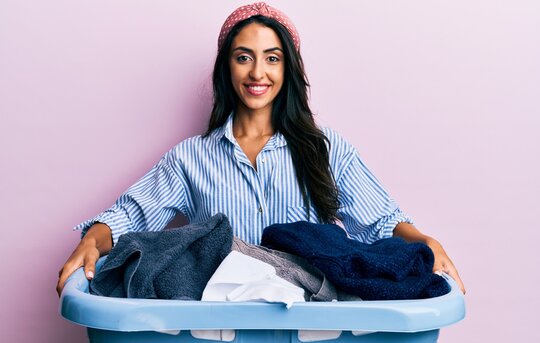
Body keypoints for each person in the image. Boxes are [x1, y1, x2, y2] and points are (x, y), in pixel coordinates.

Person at [56, 2, 465, 296]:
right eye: (243, 57)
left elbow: (381, 222)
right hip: (218, 329)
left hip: (310, 329)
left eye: (271, 58)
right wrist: (94, 238)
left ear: (287, 68)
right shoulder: (190, 158)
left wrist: (427, 242)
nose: (257, 72)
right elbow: (131, 213)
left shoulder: (326, 149)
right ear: (226, 67)